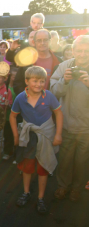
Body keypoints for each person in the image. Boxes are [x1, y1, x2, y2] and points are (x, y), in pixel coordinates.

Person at [10, 66, 63, 214]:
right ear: (26, 81)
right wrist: (16, 135)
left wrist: (58, 134)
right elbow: (13, 115)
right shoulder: (21, 97)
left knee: (43, 167)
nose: (39, 85)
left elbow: (58, 114)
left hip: (46, 136)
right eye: (35, 81)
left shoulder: (49, 96)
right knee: (27, 166)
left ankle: (40, 197)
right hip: (29, 138)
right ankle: (26, 192)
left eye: (42, 81)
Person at [50, 35, 89, 202]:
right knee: (65, 159)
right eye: (79, 50)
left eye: (86, 51)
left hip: (86, 127)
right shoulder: (64, 66)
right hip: (66, 124)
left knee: (82, 161)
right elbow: (53, 91)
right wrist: (64, 81)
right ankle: (63, 186)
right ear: (72, 51)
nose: (82, 54)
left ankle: (77, 188)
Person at [13, 29, 62, 95]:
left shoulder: (59, 62)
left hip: (53, 103)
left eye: (45, 40)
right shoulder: (27, 61)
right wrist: (27, 98)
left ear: (50, 41)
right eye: (39, 40)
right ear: (34, 42)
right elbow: (17, 84)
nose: (42, 43)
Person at [3, 67, 18, 160]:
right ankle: (8, 152)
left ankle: (16, 154)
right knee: (7, 135)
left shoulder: (19, 89)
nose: (14, 78)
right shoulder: (5, 87)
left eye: (16, 76)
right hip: (7, 116)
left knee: (15, 135)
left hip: (16, 116)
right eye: (13, 76)